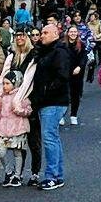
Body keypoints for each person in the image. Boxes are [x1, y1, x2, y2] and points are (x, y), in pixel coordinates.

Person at [29, 22, 72, 190]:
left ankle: (52, 176)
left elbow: (62, 76)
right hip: (48, 101)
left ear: (56, 34)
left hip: (53, 101)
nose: (42, 35)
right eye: (41, 32)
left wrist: (46, 91)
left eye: (46, 33)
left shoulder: (59, 52)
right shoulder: (46, 51)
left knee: (49, 138)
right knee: (53, 137)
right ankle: (57, 174)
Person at [0, 70, 32, 187]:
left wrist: (20, 111)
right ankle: (8, 172)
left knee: (17, 152)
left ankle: (17, 175)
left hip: (17, 128)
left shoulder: (21, 97)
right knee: (0, 152)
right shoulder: (2, 98)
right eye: (4, 84)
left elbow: (29, 110)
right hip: (4, 129)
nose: (5, 86)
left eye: (8, 83)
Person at [63, 25, 90, 126]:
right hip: (65, 72)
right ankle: (62, 116)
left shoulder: (81, 45)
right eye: (71, 32)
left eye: (75, 32)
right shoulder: (63, 44)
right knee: (64, 94)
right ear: (68, 33)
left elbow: (84, 58)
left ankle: (73, 115)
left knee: (75, 95)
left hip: (77, 73)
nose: (73, 34)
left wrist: (80, 67)